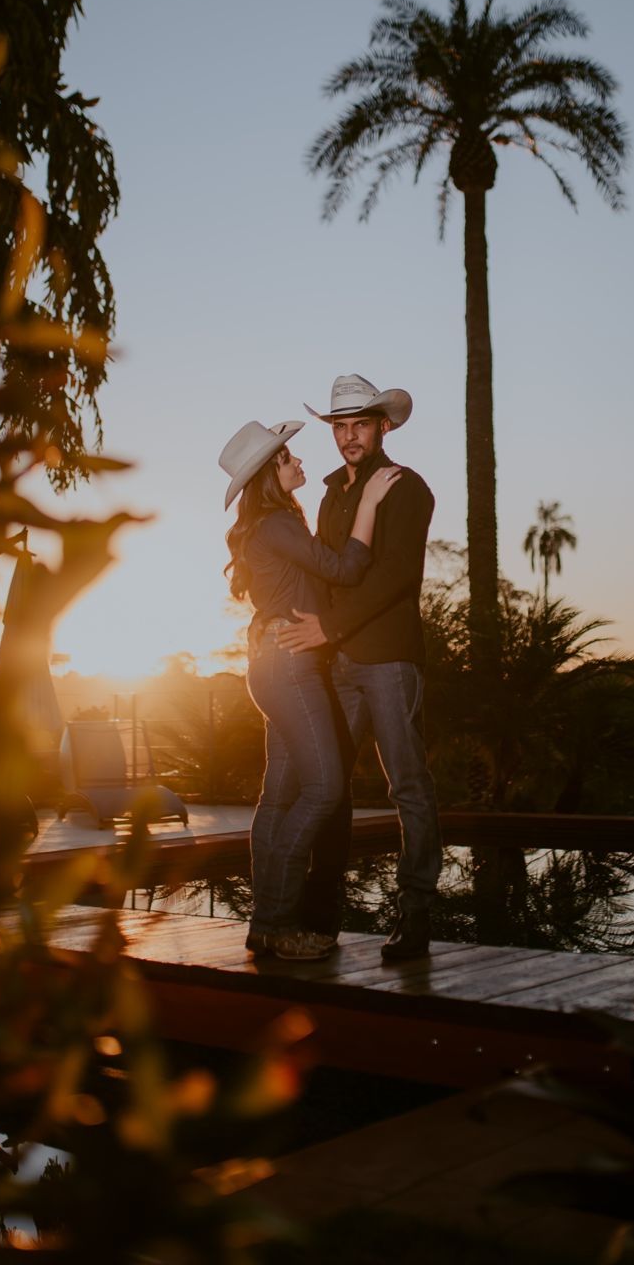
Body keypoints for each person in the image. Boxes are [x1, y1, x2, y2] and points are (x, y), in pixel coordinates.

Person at [219, 416, 400, 961]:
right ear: (271, 474)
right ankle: (278, 922)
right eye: (288, 458)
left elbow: (312, 583)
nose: (299, 462)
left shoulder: (271, 525)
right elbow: (343, 570)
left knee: (278, 798)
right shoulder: (276, 525)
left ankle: (265, 924)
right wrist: (367, 506)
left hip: (277, 664)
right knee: (323, 789)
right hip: (289, 668)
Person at [279, 374, 441, 962]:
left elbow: (398, 576)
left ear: (383, 426)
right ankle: (319, 919)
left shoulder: (407, 488)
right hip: (338, 663)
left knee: (408, 787)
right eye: (341, 427)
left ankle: (416, 915)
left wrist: (331, 627)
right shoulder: (330, 496)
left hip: (390, 659)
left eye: (360, 425)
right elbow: (329, 570)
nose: (349, 436)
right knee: (326, 786)